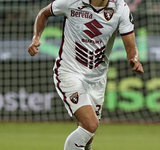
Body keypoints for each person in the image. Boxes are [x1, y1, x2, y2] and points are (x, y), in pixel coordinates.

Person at [28, 0, 144, 149]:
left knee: (88, 135)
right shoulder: (71, 2)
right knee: (90, 124)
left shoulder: (120, 8)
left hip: (97, 80)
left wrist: (133, 59)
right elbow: (44, 13)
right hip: (69, 72)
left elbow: (131, 46)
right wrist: (36, 37)